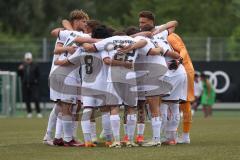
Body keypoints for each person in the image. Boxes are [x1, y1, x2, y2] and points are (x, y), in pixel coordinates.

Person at [18, 52, 42, 118]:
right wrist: (19, 70)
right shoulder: (22, 66)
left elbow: (38, 75)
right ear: (25, 59)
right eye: (27, 59)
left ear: (31, 59)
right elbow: (19, 75)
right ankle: (29, 112)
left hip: (33, 85)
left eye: (29, 59)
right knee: (26, 99)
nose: (28, 60)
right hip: (25, 85)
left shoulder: (35, 65)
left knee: (36, 98)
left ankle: (38, 112)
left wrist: (36, 81)